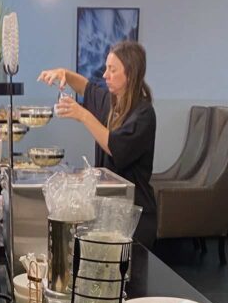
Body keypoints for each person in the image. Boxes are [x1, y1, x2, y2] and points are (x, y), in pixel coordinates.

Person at [38, 41, 157, 247]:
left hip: (135, 216)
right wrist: (63, 72)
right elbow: (86, 87)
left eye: (112, 70)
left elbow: (115, 147)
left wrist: (84, 115)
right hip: (109, 214)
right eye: (106, 68)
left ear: (131, 74)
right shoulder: (112, 102)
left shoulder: (144, 114)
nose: (105, 75)